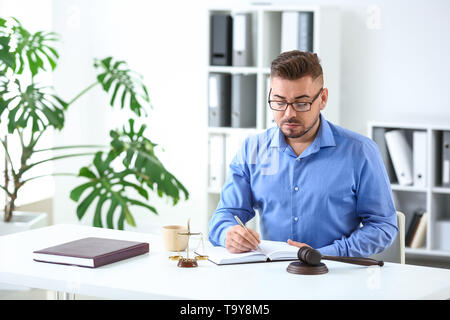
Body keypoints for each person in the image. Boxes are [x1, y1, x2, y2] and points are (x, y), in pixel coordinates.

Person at [208, 50, 398, 257]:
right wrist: (229, 233)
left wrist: (320, 255)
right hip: (273, 276)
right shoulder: (252, 149)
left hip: (335, 274)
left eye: (301, 103)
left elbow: (382, 227)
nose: (289, 114)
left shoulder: (360, 152)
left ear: (323, 99)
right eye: (279, 102)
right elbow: (225, 215)